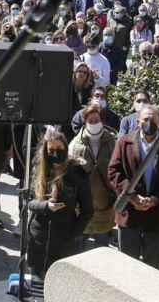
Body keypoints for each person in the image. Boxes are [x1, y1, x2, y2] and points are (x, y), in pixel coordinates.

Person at [108, 104, 159, 269]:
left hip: (156, 217)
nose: (150, 123)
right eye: (146, 119)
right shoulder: (124, 142)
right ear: (138, 121)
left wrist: (156, 199)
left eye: (153, 119)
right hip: (130, 215)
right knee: (128, 266)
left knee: (152, 268)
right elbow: (114, 172)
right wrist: (132, 197)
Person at [27, 128, 93, 278]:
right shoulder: (38, 168)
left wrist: (73, 235)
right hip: (38, 239)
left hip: (64, 240)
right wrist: (45, 206)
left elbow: (88, 210)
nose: (55, 153)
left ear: (65, 147)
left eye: (59, 149)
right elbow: (29, 201)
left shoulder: (77, 172)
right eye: (51, 150)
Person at [68, 102, 117, 250]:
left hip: (105, 205)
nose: (94, 123)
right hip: (82, 207)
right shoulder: (75, 144)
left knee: (101, 250)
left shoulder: (111, 141)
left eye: (97, 120)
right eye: (91, 121)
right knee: (78, 249)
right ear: (85, 122)